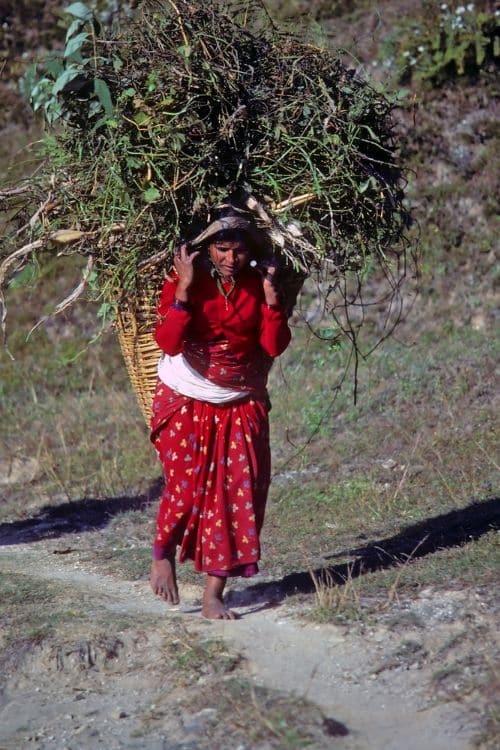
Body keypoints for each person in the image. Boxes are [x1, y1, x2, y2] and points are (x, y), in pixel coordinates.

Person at [149, 205, 291, 619]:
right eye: (223, 249)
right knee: (187, 482)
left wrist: (270, 300)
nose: (232, 259)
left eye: (239, 251)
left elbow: (273, 346)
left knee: (237, 494)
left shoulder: (256, 284)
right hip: (186, 393)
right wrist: (183, 290)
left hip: (239, 399)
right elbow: (170, 343)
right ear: (205, 250)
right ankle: (163, 552)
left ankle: (214, 594)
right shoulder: (186, 282)